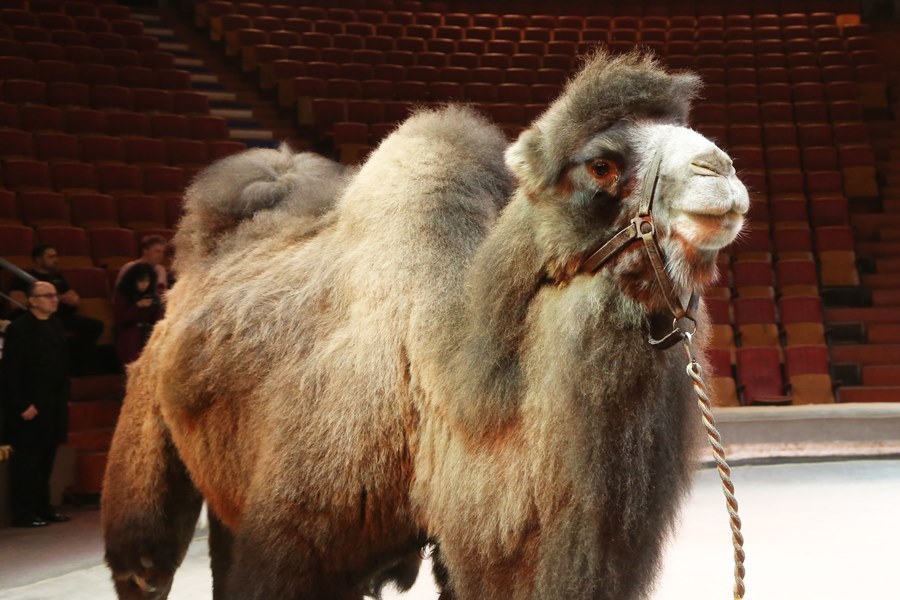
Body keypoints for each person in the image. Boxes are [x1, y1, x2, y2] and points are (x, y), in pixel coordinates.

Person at [1, 281, 71, 527]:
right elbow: (11, 371)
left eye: (55, 295)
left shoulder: (54, 323)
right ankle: (24, 512)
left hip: (52, 403)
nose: (54, 299)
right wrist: (22, 405)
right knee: (27, 461)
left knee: (46, 458)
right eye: (47, 295)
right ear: (32, 300)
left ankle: (43, 506)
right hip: (29, 406)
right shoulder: (20, 329)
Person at [9, 245, 104, 375]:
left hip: (62, 315)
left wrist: (73, 300)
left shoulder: (58, 276)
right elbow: (15, 303)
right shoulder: (24, 277)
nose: (56, 259)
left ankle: (73, 362)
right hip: (39, 317)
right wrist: (40, 299)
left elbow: (72, 298)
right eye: (51, 256)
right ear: (38, 259)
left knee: (95, 326)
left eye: (56, 256)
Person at [113, 262, 162, 366]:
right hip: (129, 329)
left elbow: (157, 319)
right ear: (133, 281)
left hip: (148, 329)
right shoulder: (123, 293)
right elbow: (120, 319)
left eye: (147, 281)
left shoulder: (151, 293)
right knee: (132, 344)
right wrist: (137, 306)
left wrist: (155, 306)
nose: (145, 284)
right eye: (141, 281)